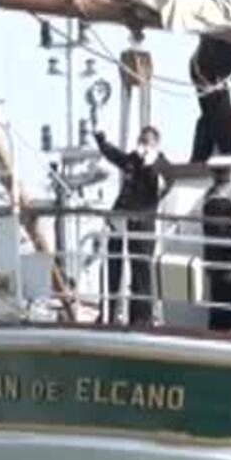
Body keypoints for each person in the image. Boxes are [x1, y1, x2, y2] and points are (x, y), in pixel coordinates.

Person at [94, 126, 170, 327]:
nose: (142, 144)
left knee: (141, 271)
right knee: (112, 266)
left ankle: (141, 317)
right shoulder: (133, 159)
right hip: (120, 221)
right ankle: (108, 312)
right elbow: (116, 156)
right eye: (141, 140)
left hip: (142, 224)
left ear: (155, 143)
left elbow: (162, 185)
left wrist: (149, 164)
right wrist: (102, 142)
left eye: (147, 141)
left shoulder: (162, 164)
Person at [200, 156, 231, 331]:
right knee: (228, 308)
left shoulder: (213, 200)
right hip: (227, 267)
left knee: (222, 306)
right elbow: (225, 239)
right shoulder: (218, 204)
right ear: (229, 176)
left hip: (221, 266)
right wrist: (229, 267)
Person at [189, 35, 231, 162]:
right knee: (219, 118)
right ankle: (228, 154)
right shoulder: (224, 41)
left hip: (214, 70)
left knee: (213, 117)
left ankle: (202, 156)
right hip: (206, 71)